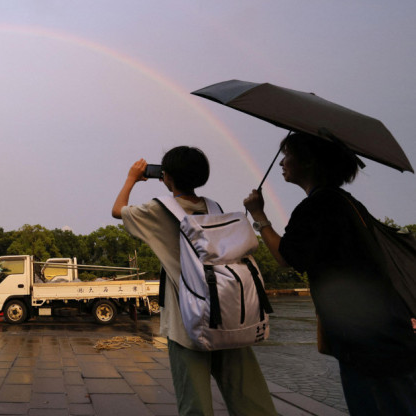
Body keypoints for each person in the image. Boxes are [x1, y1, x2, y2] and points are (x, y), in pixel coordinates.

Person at [243, 132, 416, 415]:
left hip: (365, 342)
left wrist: (259, 216)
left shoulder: (318, 206)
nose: (282, 163)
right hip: (384, 333)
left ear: (309, 161)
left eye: (287, 155)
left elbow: (286, 257)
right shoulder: (344, 202)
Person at [112, 146, 276, 416]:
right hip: (230, 313)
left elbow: (118, 210)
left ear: (166, 177)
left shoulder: (158, 210)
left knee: (195, 403)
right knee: (250, 398)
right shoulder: (214, 208)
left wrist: (132, 178)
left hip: (186, 323)